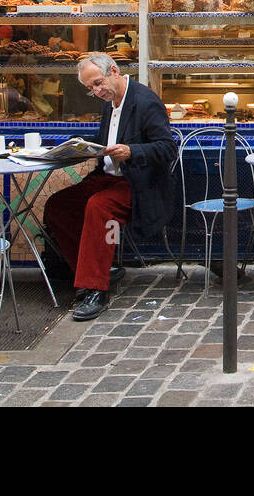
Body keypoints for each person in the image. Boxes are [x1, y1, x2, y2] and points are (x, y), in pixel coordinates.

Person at [43, 53, 177, 321]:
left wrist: (131, 151)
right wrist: (76, 145)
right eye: (90, 88)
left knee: (98, 207)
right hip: (107, 177)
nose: (96, 91)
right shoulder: (109, 101)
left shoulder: (145, 101)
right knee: (58, 206)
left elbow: (167, 148)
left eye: (98, 83)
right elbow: (106, 141)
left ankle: (96, 289)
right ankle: (86, 270)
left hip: (137, 183)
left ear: (114, 71)